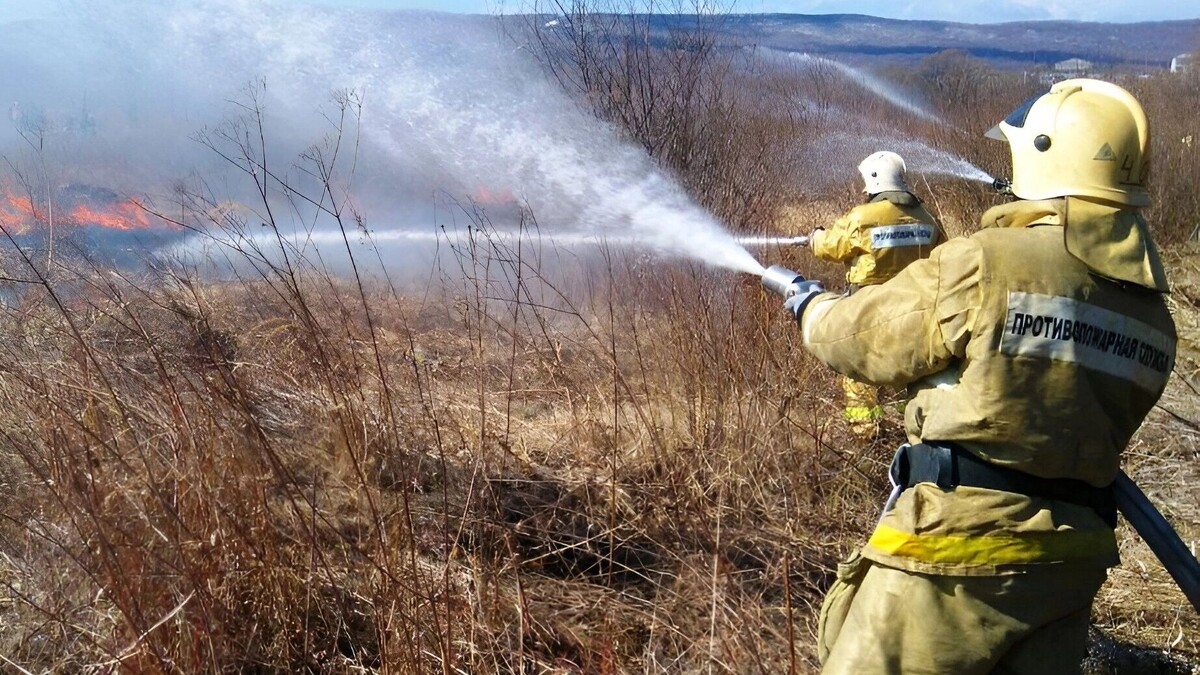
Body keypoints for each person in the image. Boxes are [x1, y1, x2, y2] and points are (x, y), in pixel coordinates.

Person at [782, 79, 1177, 673]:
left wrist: (808, 305)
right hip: (1070, 566)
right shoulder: (1154, 317)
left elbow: (859, 342)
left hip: (953, 553)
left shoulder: (987, 261)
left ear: (1045, 152)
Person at [807, 151, 944, 438]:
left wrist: (816, 236)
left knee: (858, 373)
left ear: (874, 181)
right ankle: (909, 430)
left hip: (866, 309)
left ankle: (866, 435)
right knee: (912, 369)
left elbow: (830, 247)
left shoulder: (862, 217)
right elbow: (944, 256)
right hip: (915, 310)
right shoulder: (927, 217)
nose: (863, 190)